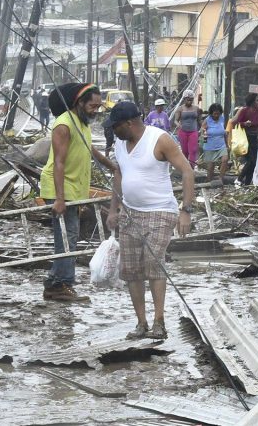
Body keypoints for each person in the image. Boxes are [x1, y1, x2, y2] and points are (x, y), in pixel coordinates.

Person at [106, 101, 195, 340]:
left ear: (129, 123)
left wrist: (186, 210)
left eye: (115, 127)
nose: (112, 131)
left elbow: (187, 171)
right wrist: (113, 209)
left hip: (160, 211)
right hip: (130, 212)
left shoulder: (160, 139)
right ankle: (141, 323)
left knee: (153, 264)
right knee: (132, 269)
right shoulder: (120, 143)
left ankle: (159, 321)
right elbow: (119, 172)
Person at [39, 83, 117, 302]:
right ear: (79, 103)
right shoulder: (63, 125)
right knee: (66, 236)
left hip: (74, 189)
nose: (95, 110)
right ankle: (59, 284)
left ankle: (58, 281)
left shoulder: (82, 124)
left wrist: (113, 167)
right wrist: (60, 198)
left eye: (98, 107)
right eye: (92, 106)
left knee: (70, 236)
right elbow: (59, 164)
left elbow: (91, 150)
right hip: (60, 188)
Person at [233, 93, 258, 186]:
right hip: (245, 138)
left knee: (254, 163)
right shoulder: (244, 111)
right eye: (257, 100)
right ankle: (239, 179)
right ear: (252, 102)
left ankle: (247, 183)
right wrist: (244, 123)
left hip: (254, 138)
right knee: (250, 160)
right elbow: (236, 123)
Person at [200, 103, 229, 184]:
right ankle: (209, 181)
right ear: (211, 113)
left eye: (218, 113)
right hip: (210, 146)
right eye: (215, 113)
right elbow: (202, 131)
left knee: (225, 159)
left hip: (221, 145)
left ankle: (220, 178)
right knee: (211, 167)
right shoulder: (207, 120)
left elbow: (224, 133)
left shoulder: (222, 119)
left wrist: (227, 144)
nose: (216, 115)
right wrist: (204, 134)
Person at [172, 90, 202, 165]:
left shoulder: (196, 108)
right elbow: (175, 120)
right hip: (183, 132)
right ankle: (185, 166)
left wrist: (202, 129)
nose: (189, 101)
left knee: (193, 150)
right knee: (185, 151)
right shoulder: (180, 109)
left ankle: (191, 166)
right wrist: (178, 125)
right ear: (184, 99)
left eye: (191, 100)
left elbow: (199, 120)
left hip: (193, 131)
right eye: (188, 100)